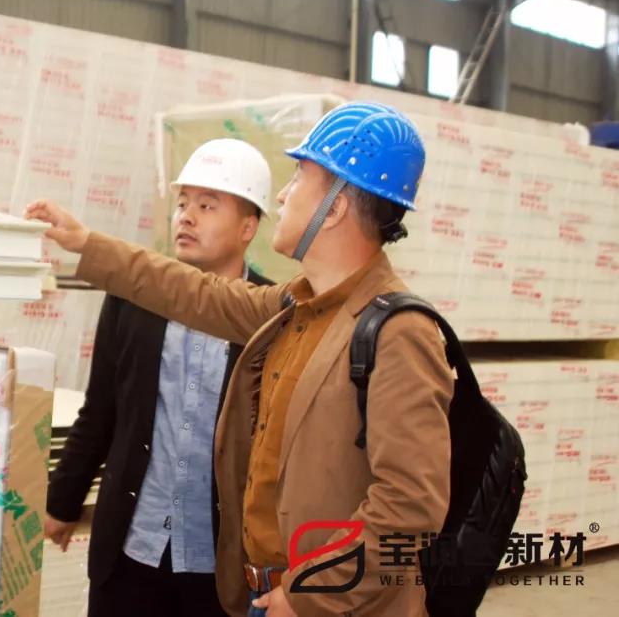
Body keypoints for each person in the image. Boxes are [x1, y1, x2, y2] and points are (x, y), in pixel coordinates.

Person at [26, 102, 453, 617]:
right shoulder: (297, 306)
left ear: (335, 207)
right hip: (264, 590)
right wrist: (86, 244)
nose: (283, 194)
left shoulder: (399, 333)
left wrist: (311, 593)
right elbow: (192, 292)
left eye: (299, 178)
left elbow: (410, 510)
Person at [44, 139, 275, 617]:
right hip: (133, 545)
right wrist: (62, 502)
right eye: (183, 203)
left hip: (221, 564)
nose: (186, 217)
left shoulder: (271, 317)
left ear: (248, 227)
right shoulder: (133, 298)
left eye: (207, 206)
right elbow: (100, 409)